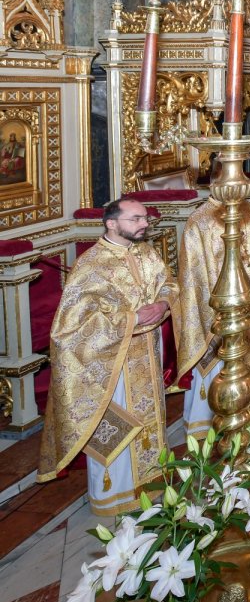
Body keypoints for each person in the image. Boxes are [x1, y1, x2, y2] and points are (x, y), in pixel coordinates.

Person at [37, 198, 178, 515]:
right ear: (111, 223)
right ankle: (114, 496)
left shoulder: (146, 253)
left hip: (147, 353)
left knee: (150, 420)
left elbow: (168, 283)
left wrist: (164, 304)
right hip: (110, 362)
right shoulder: (91, 266)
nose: (144, 224)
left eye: (145, 218)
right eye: (135, 219)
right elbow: (70, 328)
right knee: (117, 424)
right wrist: (131, 319)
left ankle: (151, 484)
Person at [175, 194, 250, 438]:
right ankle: (209, 417)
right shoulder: (199, 220)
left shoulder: (246, 210)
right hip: (217, 302)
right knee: (219, 358)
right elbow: (194, 275)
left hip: (248, 296)